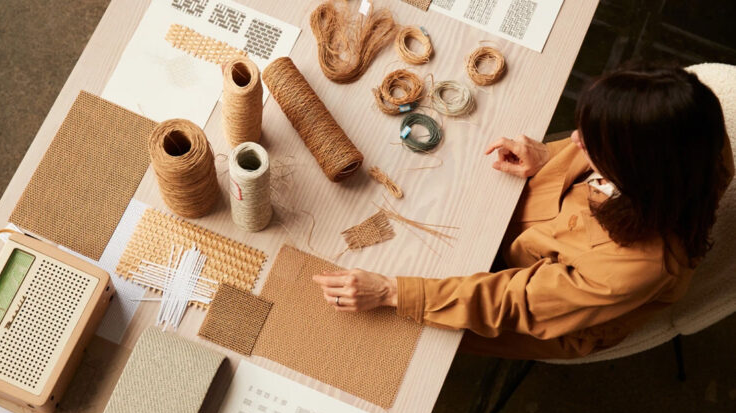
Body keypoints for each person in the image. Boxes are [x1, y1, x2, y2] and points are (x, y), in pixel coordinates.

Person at [313, 65, 734, 359]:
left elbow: (514, 303)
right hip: (532, 240)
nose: (574, 140)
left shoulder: (637, 263)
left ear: (636, 171)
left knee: (383, 332)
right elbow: (583, 153)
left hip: (539, 309)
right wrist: (548, 159)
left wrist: (391, 291)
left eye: (596, 143)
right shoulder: (688, 144)